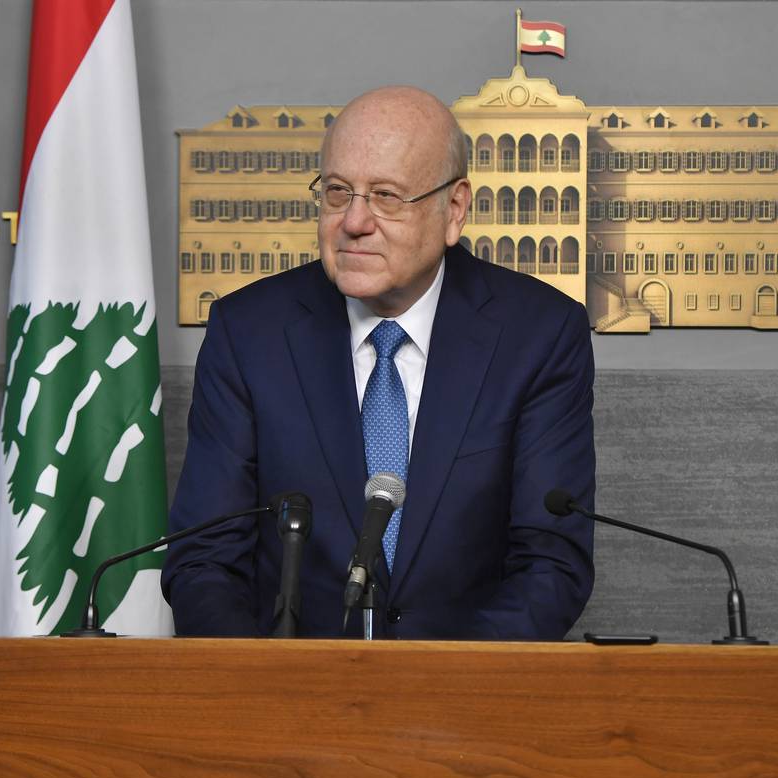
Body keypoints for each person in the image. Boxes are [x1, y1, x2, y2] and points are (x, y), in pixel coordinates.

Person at [161, 86, 595, 639]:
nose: (355, 221)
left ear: (454, 209)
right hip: (288, 704)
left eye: (386, 196)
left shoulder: (538, 334)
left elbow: (550, 564)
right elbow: (204, 560)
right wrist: (265, 694)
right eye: (338, 193)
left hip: (465, 704)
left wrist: (434, 697)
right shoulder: (248, 333)